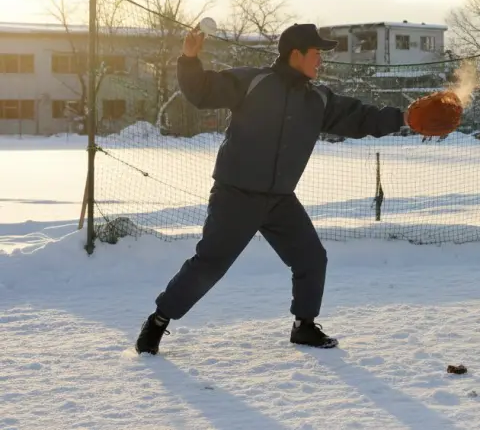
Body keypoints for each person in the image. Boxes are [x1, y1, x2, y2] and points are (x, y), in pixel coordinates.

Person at [135, 23, 407, 355]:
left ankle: (303, 327)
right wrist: (189, 59)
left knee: (311, 258)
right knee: (210, 264)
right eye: (316, 53)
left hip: (279, 198)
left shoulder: (317, 98)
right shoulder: (253, 82)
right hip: (236, 194)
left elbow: (361, 118)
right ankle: (158, 321)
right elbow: (203, 91)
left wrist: (406, 118)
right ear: (297, 54)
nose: (320, 60)